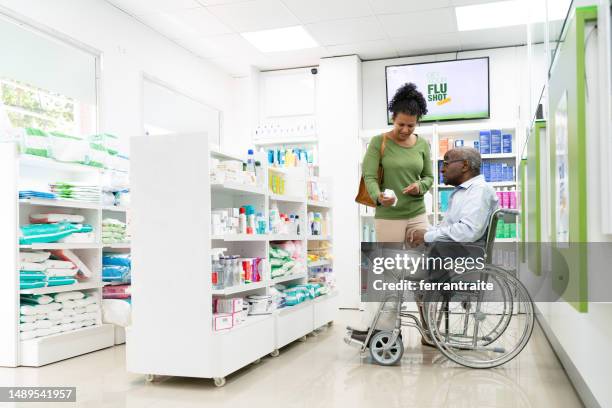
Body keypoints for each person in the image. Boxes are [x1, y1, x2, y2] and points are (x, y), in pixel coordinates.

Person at [350, 82, 433, 341]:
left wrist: (420, 185)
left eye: (411, 125)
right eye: (401, 125)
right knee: (390, 274)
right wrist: (377, 196)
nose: (405, 130)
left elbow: (429, 177)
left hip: (417, 213)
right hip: (389, 217)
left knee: (423, 272)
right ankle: (385, 329)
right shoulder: (379, 143)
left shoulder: (422, 145)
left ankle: (428, 330)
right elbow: (369, 176)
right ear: (392, 119)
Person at [410, 147, 498, 246]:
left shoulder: (480, 190)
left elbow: (468, 232)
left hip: (462, 256)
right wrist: (425, 231)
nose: (442, 170)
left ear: (465, 165)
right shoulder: (462, 191)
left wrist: (426, 236)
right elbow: (447, 227)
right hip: (452, 253)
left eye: (446, 164)